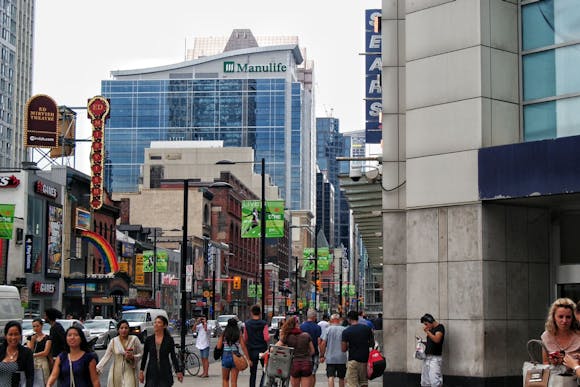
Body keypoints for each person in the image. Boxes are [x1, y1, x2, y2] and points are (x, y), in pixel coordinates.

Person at [96, 319, 143, 387]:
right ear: (118, 330)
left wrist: (133, 357)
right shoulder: (113, 341)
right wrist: (97, 368)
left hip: (130, 370)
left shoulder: (134, 339)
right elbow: (106, 356)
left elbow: (141, 353)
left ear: (129, 329)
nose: (124, 330)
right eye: (121, 328)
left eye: (126, 328)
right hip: (116, 371)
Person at [139, 315, 183, 387]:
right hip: (152, 371)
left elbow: (173, 357)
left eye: (159, 322)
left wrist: (178, 371)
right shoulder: (149, 339)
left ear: (164, 325)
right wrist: (141, 371)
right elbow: (144, 357)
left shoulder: (169, 340)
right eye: (155, 322)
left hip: (165, 371)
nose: (156, 324)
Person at [276, 316, 314, 387]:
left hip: (294, 364)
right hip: (306, 363)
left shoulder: (287, 337)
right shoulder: (306, 336)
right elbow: (312, 351)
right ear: (297, 324)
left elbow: (274, 348)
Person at [541, 298, 580, 366]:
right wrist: (553, 363)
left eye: (568, 317)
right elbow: (545, 363)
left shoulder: (578, 336)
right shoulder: (546, 337)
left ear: (573, 318)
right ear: (553, 317)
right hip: (554, 375)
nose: (564, 321)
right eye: (560, 317)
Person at [341, 310, 374, 387]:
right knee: (364, 382)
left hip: (353, 360)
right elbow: (372, 344)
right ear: (358, 318)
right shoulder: (367, 329)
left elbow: (343, 349)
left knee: (352, 383)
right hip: (365, 360)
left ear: (349, 319)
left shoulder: (346, 331)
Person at [0, 320, 34, 387]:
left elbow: (30, 376)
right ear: (6, 336)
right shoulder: (0, 350)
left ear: (20, 335)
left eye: (16, 334)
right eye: (10, 334)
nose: (13, 337)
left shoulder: (27, 353)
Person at [242, 305, 269, 387]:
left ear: (251, 313)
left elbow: (245, 338)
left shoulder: (247, 324)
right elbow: (266, 337)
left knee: (253, 373)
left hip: (252, 350)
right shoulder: (264, 324)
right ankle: (262, 385)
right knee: (265, 371)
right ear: (260, 313)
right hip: (263, 351)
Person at [216, 318, 248, 387]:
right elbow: (243, 346)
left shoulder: (224, 333)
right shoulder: (238, 333)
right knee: (234, 381)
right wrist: (248, 358)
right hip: (235, 357)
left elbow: (218, 346)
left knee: (225, 379)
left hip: (225, 356)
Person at [319, 314, 347, 387]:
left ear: (331, 320)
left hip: (330, 358)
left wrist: (322, 355)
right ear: (339, 320)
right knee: (342, 377)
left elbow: (323, 344)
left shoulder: (328, 329)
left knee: (331, 376)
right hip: (341, 357)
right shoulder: (344, 329)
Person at [420, 313, 445, 387]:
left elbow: (437, 339)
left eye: (426, 324)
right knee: (425, 382)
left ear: (430, 321)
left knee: (435, 382)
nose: (426, 326)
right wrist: (422, 342)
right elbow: (431, 342)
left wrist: (427, 332)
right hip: (427, 357)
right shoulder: (431, 330)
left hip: (435, 359)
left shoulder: (440, 327)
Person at [27, 317, 52, 385]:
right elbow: (30, 351)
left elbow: (46, 352)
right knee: (34, 381)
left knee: (44, 380)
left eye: (37, 326)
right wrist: (32, 341)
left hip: (43, 361)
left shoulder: (47, 338)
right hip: (32, 362)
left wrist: (34, 355)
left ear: (41, 326)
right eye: (34, 326)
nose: (36, 328)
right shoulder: (30, 337)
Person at [300, 309, 322, 387]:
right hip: (315, 353)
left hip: (303, 353)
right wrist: (322, 354)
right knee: (313, 373)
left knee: (304, 374)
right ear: (314, 317)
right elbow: (319, 341)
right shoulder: (318, 327)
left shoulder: (301, 326)